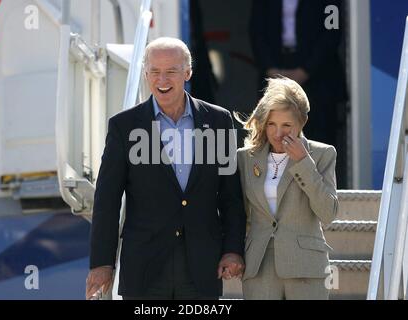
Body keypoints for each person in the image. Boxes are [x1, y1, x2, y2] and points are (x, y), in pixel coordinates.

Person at [86, 37, 246, 300]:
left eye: (171, 71)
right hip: (144, 267)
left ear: (187, 72)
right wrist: (102, 263)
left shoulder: (218, 120)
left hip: (202, 266)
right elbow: (107, 200)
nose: (163, 80)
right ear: (145, 74)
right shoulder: (123, 127)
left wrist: (233, 249)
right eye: (155, 72)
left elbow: (231, 195)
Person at [235, 77, 338, 300]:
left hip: (306, 267)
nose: (278, 133)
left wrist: (304, 163)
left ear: (302, 123)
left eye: (287, 125)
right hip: (259, 266)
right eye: (271, 124)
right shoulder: (244, 158)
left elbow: (328, 212)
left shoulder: (322, 154)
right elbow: (237, 213)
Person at [248, 0, 347, 150]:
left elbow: (332, 33)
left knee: (320, 137)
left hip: (318, 74)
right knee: (273, 135)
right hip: (276, 68)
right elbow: (256, 31)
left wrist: (305, 71)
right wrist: (270, 69)